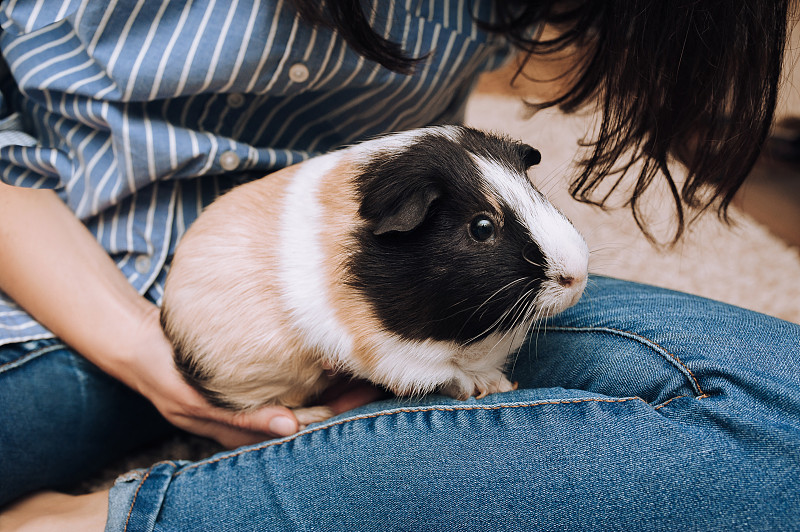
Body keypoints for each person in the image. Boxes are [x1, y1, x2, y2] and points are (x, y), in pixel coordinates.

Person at [1, 1, 798, 530]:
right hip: (56, 295)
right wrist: (139, 343)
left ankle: (96, 519)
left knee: (779, 423)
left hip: (426, 287)